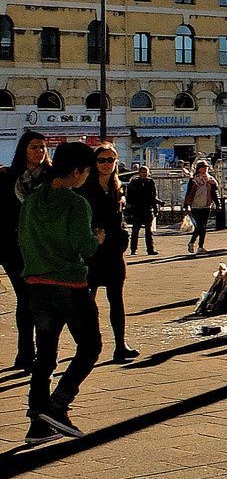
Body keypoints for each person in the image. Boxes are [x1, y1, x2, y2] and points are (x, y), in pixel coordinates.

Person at [19, 142, 104, 444]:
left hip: (37, 287)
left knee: (45, 357)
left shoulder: (32, 201)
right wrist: (98, 238)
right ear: (78, 171)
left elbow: (23, 239)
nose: (86, 178)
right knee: (90, 346)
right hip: (69, 287)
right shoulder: (75, 203)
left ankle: (37, 421)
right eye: (86, 172)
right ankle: (58, 405)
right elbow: (84, 246)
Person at [77, 144, 137, 363]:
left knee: (116, 300)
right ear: (94, 162)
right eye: (101, 160)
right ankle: (88, 345)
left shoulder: (116, 185)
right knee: (88, 301)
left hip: (113, 251)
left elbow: (119, 216)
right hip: (92, 250)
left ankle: (120, 345)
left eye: (110, 160)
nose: (106, 165)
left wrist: (123, 234)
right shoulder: (84, 186)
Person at [1, 131, 49, 373]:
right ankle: (26, 351)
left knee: (39, 298)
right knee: (26, 295)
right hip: (14, 247)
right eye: (34, 147)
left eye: (42, 147)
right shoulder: (8, 177)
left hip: (43, 246)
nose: (39, 151)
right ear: (23, 149)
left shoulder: (51, 177)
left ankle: (40, 349)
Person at [181, 159, 218, 253]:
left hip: (206, 204)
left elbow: (214, 193)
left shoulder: (210, 180)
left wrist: (218, 204)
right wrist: (186, 205)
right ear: (199, 169)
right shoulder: (193, 180)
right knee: (200, 225)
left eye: (206, 167)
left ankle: (200, 246)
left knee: (203, 226)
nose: (205, 169)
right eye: (203, 167)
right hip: (196, 205)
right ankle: (193, 242)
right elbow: (189, 192)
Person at [124, 165, 158, 256]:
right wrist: (130, 208)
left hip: (147, 209)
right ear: (139, 173)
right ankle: (133, 249)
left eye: (146, 172)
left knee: (149, 231)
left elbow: (154, 196)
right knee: (135, 230)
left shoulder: (150, 182)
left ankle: (150, 249)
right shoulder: (134, 182)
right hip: (137, 209)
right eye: (142, 172)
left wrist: (155, 209)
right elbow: (129, 196)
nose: (144, 174)